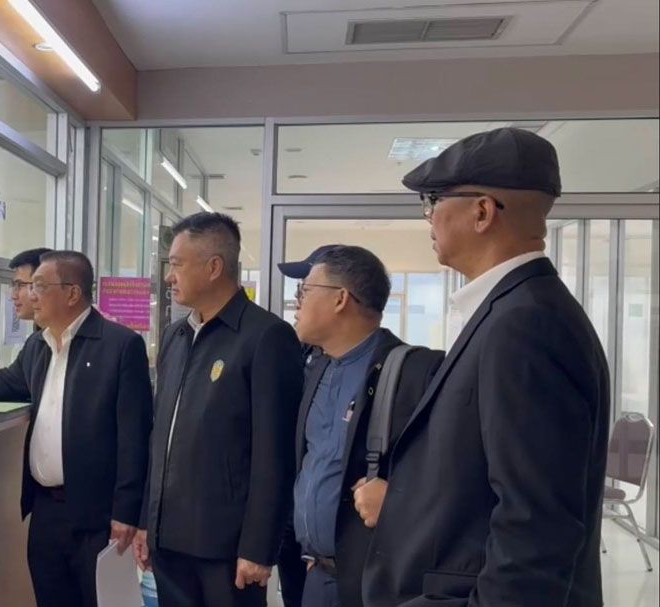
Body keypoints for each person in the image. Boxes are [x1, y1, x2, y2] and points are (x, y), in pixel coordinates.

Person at [358, 128, 610, 606]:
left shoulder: (525, 324)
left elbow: (535, 527)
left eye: (434, 201)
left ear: (482, 212)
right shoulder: (511, 310)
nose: (429, 216)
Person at [0, 250, 153, 607]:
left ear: (72, 293)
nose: (31, 295)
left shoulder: (119, 346)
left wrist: (127, 512)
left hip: (97, 514)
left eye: (40, 286)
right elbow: (5, 382)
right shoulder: (38, 346)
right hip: (45, 510)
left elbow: (135, 437)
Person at [134, 212, 304, 607]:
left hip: (226, 547)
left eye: (177, 264)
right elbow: (161, 437)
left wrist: (259, 546)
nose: (169, 277)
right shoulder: (176, 336)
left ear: (214, 267)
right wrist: (146, 522)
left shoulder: (266, 337)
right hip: (168, 539)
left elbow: (275, 454)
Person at [275, 245, 443, 607]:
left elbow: (452, 477)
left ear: (340, 299)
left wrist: (397, 498)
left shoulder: (415, 374)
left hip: (376, 584)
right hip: (315, 575)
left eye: (304, 291)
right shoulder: (315, 368)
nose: (296, 303)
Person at [9, 247, 52, 327]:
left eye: (20, 285)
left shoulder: (70, 332)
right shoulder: (40, 332)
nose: (13, 296)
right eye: (14, 285)